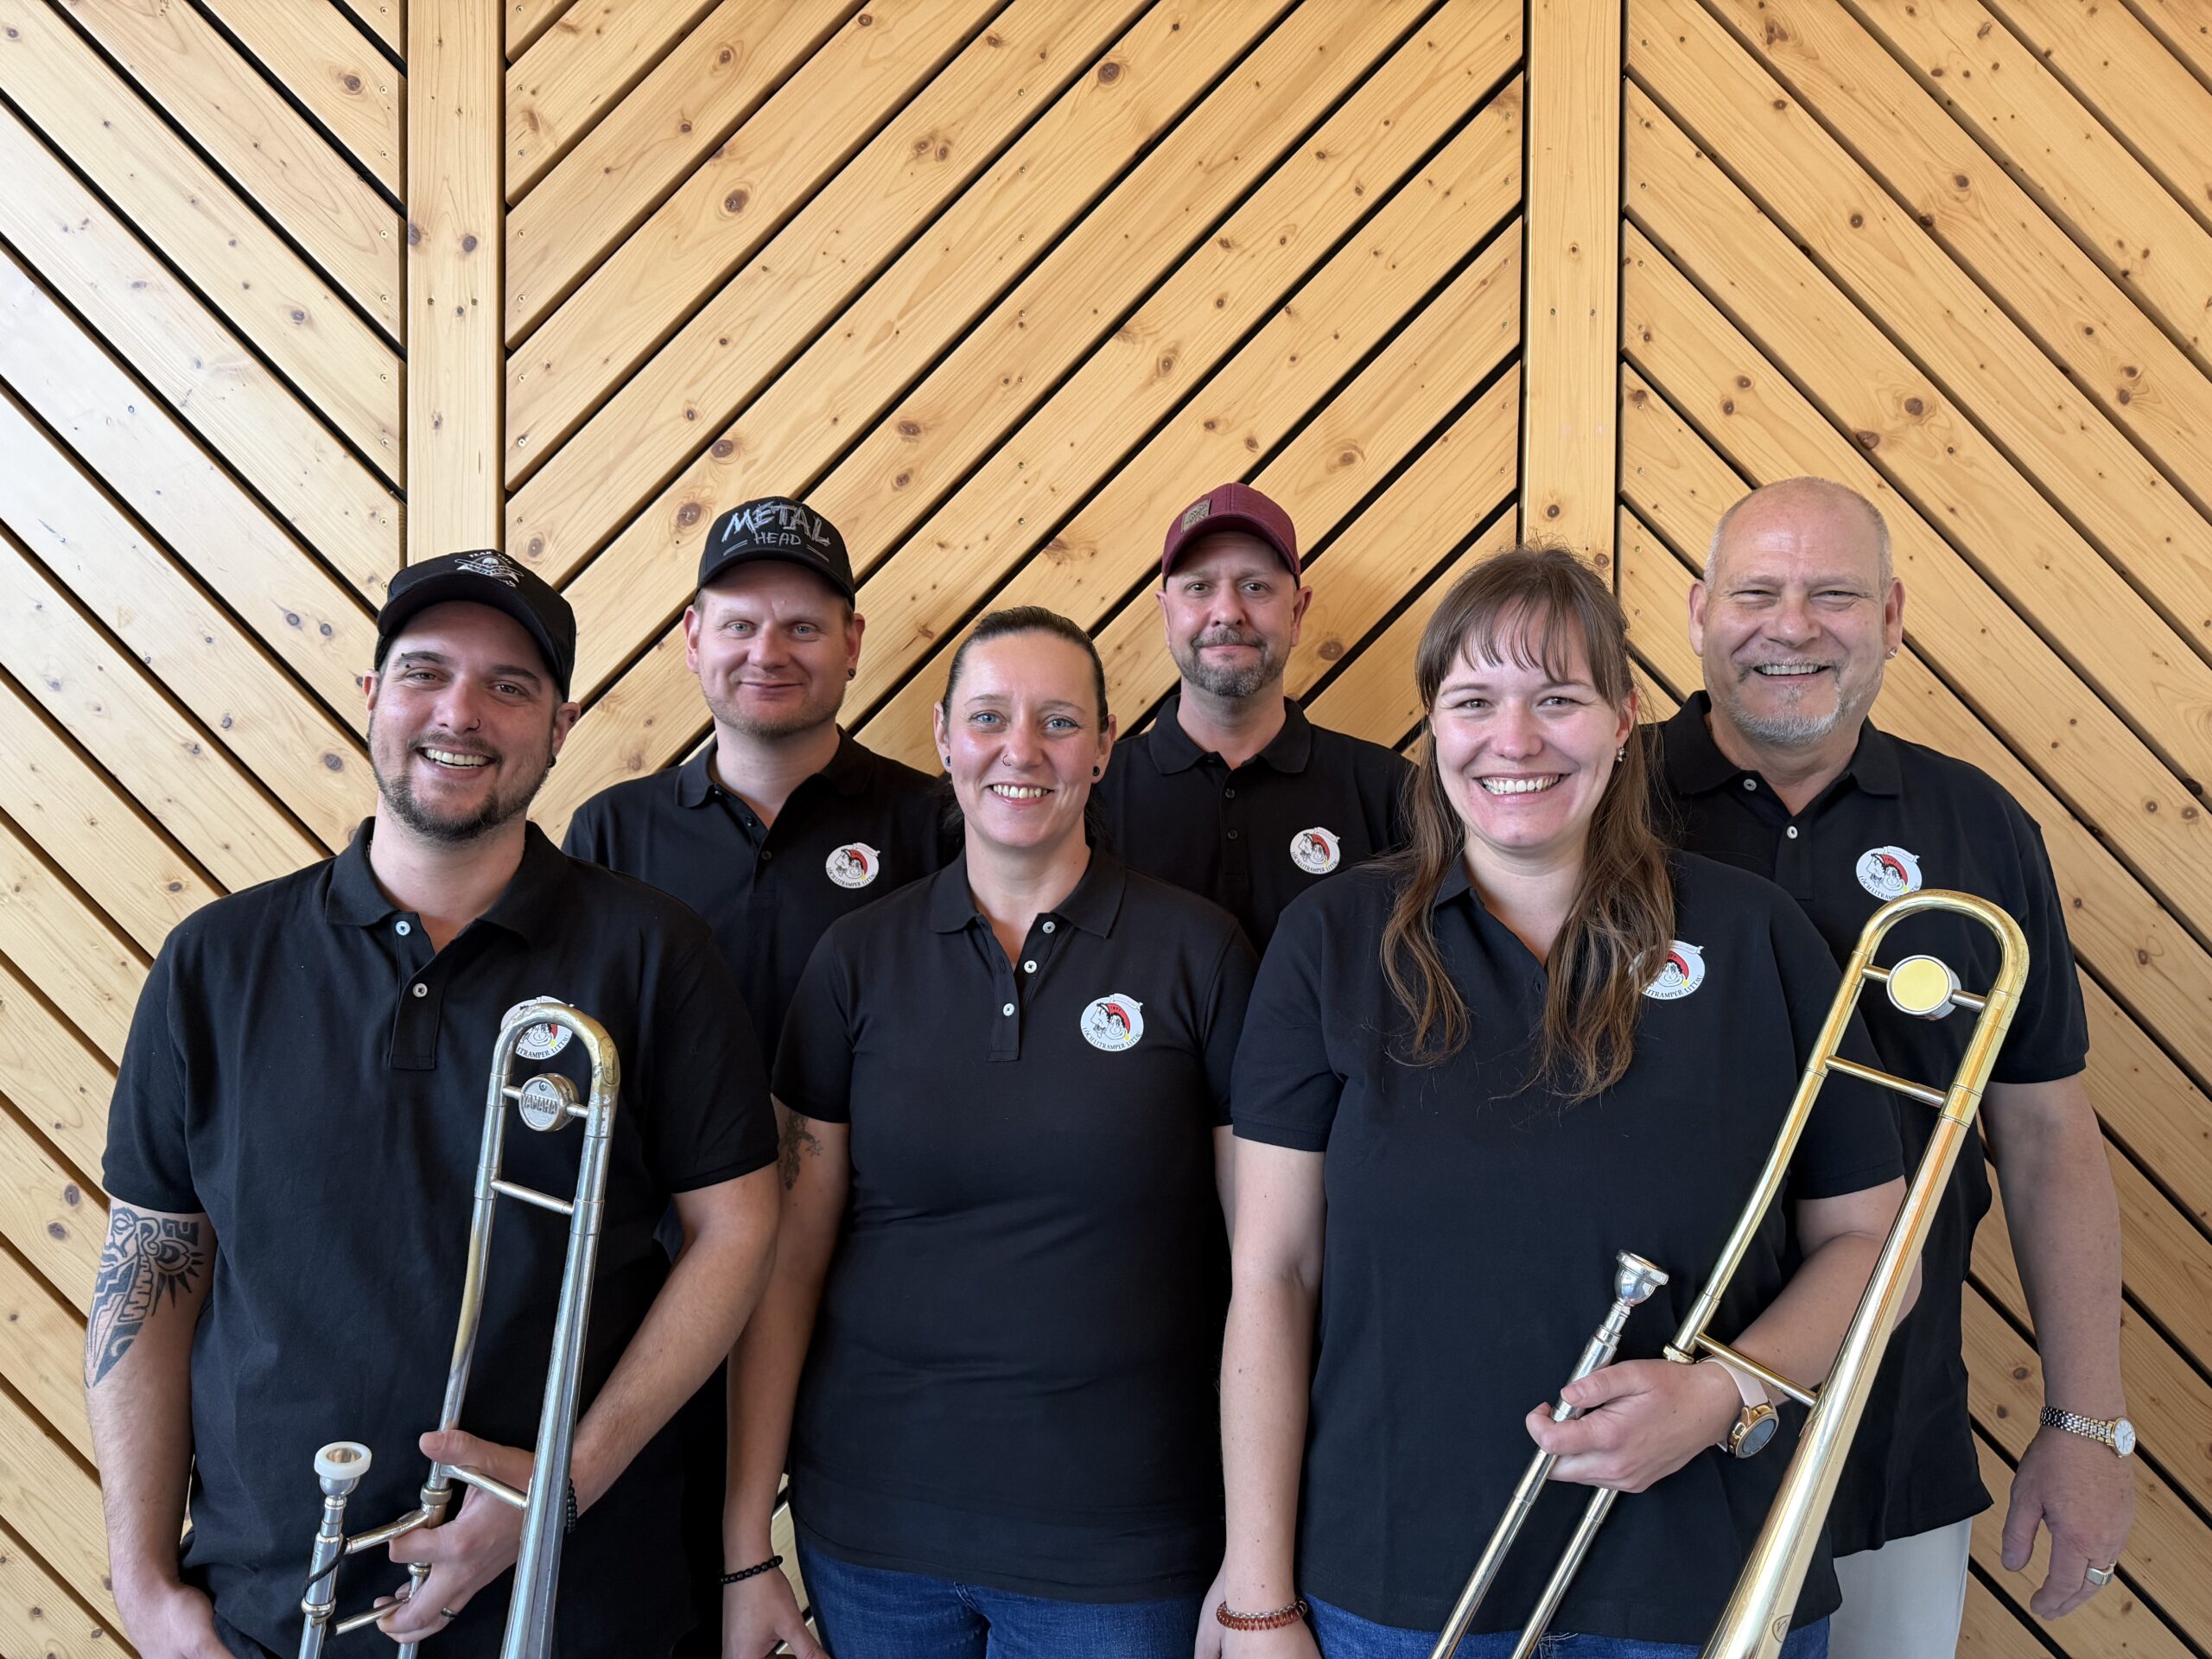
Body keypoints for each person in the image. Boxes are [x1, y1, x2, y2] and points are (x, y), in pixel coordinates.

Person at [1216, 546, 1913, 1656]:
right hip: (1393, 1587)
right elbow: (1273, 1275)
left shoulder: (1754, 936)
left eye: (1557, 699)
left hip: (1703, 1581)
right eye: (1473, 701)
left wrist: (1722, 1396)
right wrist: (1257, 1594)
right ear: (1432, 726)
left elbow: (1876, 1247)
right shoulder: (1331, 942)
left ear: (1624, 719)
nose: (1515, 739)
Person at [90, 550, 782, 1659]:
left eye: (509, 685)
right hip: (270, 1604)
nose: (460, 713)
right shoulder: (215, 962)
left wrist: (561, 1485)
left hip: (579, 1597)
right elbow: (150, 1267)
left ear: (559, 728)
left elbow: (736, 1230)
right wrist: (141, 1584)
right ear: (372, 695)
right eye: (424, 672)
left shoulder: (656, 952)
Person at [1653, 478, 2133, 1656]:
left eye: (1834, 595)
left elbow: (2046, 1140)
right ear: (1700, 612)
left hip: (1889, 1432)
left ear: (1892, 616)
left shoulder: (1978, 824)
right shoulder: (1598, 800)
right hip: (1644, 1424)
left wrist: (2088, 1425)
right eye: (1756, 593)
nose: (1792, 627)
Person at [721, 607, 1257, 1659]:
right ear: (943, 738)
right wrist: (746, 1544)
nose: (1021, 750)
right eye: (988, 718)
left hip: (1124, 1547)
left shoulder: (1199, 955)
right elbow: (784, 1263)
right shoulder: (855, 960)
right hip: (872, 1538)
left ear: (1103, 747)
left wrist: (1258, 1555)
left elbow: (1269, 1268)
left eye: (1058, 722)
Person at [562, 496, 951, 1657]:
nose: (767, 651)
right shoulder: (614, 833)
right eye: (738, 624)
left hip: (880, 1295)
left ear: (853, 642)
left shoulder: (934, 825)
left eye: (802, 626)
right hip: (660, 1296)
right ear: (692, 637)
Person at [1092, 482, 1408, 949]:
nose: (1227, 612)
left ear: (1297, 613)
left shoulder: (1390, 793)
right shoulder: (1089, 798)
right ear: (1166, 615)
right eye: (1199, 587)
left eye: (1254, 586)